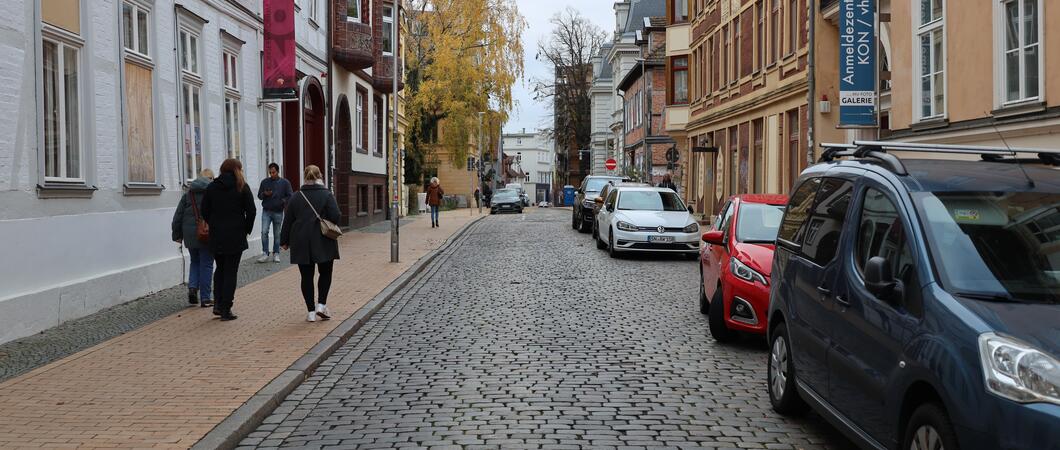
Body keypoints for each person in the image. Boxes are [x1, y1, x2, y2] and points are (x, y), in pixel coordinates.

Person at [280, 165, 340, 322]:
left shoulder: (296, 196)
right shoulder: (327, 195)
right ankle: (321, 305)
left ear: (304, 177)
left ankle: (311, 312)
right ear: (320, 176)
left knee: (306, 276)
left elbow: (288, 221)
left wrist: (284, 241)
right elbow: (336, 216)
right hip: (323, 240)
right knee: (325, 273)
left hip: (301, 241)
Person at [201, 159, 256, 321]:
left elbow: (205, 210)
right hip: (236, 235)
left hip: (217, 235)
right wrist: (245, 229)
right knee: (231, 272)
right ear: (237, 170)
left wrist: (214, 223)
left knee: (220, 269)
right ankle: (226, 308)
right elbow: (251, 211)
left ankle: (217, 304)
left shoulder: (212, 187)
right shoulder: (242, 187)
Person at [171, 169, 215, 308]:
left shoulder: (188, 194)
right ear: (211, 179)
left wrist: (177, 235)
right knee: (207, 264)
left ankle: (192, 287)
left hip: (190, 234)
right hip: (206, 233)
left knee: (195, 261)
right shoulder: (213, 193)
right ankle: (205, 298)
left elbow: (178, 216)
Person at [258, 163, 293, 263]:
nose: (272, 174)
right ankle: (265, 253)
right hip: (267, 211)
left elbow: (290, 195)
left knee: (277, 234)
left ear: (278, 171)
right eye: (270, 172)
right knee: (264, 232)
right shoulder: (264, 182)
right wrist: (265, 193)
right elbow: (259, 196)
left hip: (278, 211)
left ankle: (276, 253)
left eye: (273, 172)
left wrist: (282, 201)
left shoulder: (285, 183)